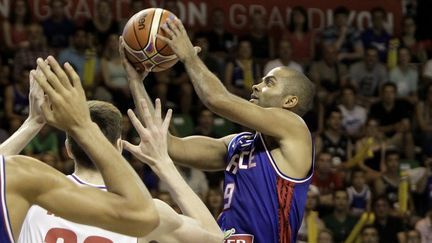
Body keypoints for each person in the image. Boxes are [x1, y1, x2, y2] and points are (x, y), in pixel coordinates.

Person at [138, 16, 316, 242]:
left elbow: (216, 99)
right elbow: (169, 146)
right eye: (261, 81)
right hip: (225, 238)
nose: (256, 86)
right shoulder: (239, 143)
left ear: (290, 102)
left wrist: (189, 57)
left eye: (269, 83)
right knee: (158, 222)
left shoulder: (295, 128)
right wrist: (136, 81)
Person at [0, 56, 161, 242]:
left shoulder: (29, 185)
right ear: (119, 147)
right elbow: (201, 233)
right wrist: (164, 164)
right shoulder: (158, 211)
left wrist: (33, 122)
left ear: (67, 149)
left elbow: (4, 173)